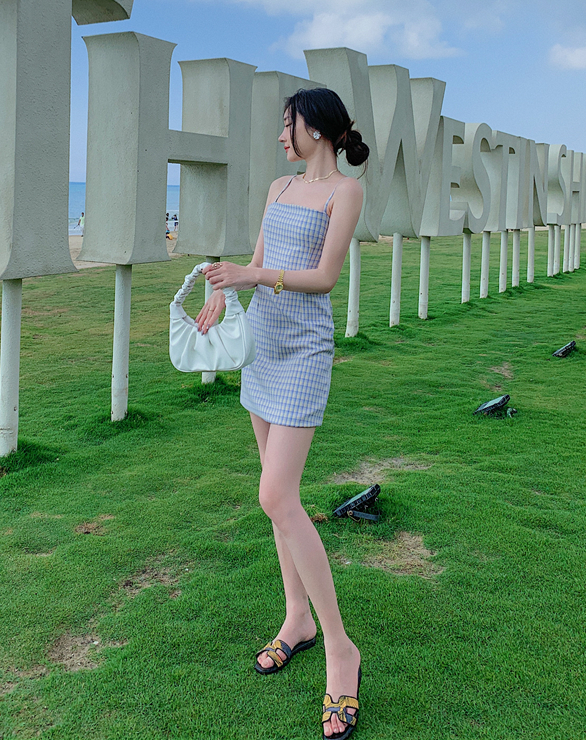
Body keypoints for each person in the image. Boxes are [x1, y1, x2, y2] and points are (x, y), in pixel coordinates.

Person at [196, 87, 370, 738]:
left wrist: (252, 276)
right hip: (263, 346)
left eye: (287, 125)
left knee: (276, 495)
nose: (281, 137)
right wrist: (226, 289)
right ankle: (296, 617)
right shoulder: (279, 187)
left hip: (303, 351)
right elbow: (260, 262)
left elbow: (323, 277)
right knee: (279, 500)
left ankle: (341, 650)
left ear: (315, 130)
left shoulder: (345, 192)